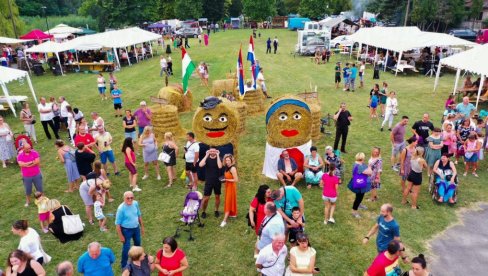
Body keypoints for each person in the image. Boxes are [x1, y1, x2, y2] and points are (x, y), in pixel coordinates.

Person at [115, 191, 145, 268]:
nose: (130, 199)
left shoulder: (135, 203)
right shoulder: (121, 209)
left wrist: (142, 227)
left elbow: (139, 215)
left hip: (136, 228)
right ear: (124, 198)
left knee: (138, 245)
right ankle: (124, 265)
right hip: (126, 230)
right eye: (128, 198)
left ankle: (137, 260)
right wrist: (121, 236)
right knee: (126, 248)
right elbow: (117, 224)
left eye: (131, 197)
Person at [199, 148, 223, 218]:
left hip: (217, 181)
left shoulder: (219, 158)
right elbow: (200, 165)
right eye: (211, 151)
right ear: (209, 152)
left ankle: (216, 210)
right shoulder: (206, 158)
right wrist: (206, 155)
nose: (212, 152)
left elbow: (220, 166)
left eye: (214, 151)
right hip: (209, 181)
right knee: (206, 198)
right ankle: (204, 211)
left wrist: (218, 155)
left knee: (217, 196)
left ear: (216, 152)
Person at [348, 152, 372, 218]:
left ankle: (359, 204)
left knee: (359, 196)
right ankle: (354, 211)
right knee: (358, 197)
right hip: (360, 184)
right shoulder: (360, 166)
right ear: (362, 158)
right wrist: (369, 166)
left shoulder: (356, 163)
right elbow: (370, 173)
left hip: (358, 183)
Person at [220, 154, 238, 227]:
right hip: (227, 186)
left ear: (231, 160)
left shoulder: (233, 168)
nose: (227, 161)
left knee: (228, 202)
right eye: (226, 160)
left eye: (228, 160)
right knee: (229, 201)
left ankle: (224, 220)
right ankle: (232, 214)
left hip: (231, 187)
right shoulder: (227, 167)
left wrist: (226, 179)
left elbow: (236, 179)